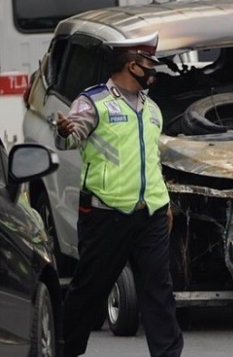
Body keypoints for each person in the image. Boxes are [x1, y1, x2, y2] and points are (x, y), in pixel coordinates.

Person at [56, 31, 184, 357]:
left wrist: (165, 203)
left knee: (159, 292)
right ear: (131, 65)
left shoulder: (152, 110)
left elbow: (151, 161)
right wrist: (64, 131)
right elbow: (70, 138)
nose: (153, 70)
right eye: (147, 63)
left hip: (151, 215)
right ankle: (64, 349)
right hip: (105, 215)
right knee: (90, 290)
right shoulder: (93, 102)